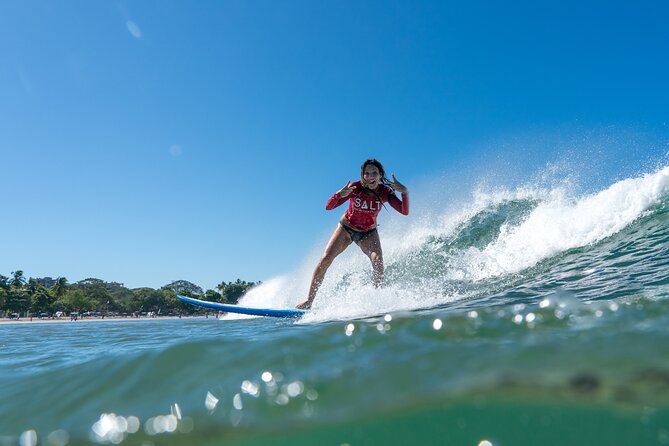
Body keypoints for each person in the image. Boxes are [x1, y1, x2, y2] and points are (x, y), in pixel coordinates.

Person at [296, 158, 409, 309]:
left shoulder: (385, 191)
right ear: (363, 175)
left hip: (368, 233)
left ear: (380, 174)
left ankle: (376, 300)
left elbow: (404, 211)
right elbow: (328, 207)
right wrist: (339, 195)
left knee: (378, 261)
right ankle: (309, 301)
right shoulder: (355, 188)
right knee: (325, 259)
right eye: (367, 173)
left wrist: (404, 192)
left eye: (374, 173)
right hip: (346, 228)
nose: (371, 176)